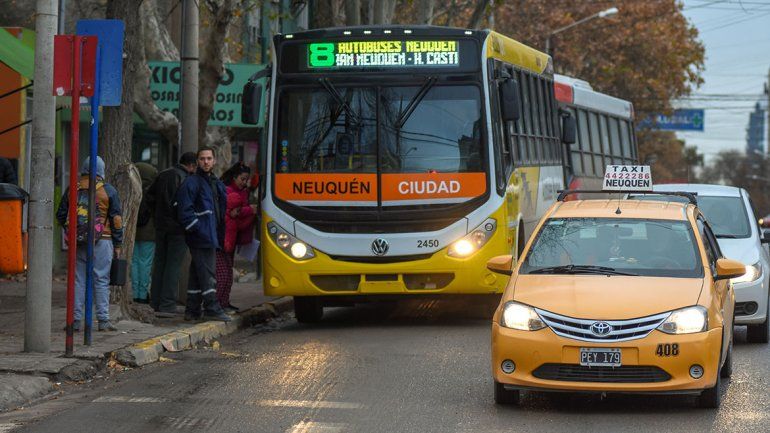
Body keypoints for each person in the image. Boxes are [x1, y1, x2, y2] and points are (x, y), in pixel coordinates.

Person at [56, 156, 123, 332]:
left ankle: (75, 320)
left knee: (78, 280)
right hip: (103, 240)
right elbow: (116, 220)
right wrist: (118, 244)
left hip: (78, 242)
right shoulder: (108, 190)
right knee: (101, 279)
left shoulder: (73, 188)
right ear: (101, 171)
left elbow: (61, 214)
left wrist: (74, 230)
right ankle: (103, 320)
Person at [174, 147, 231, 322]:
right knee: (208, 273)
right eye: (202, 159)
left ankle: (192, 310)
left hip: (209, 234)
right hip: (202, 235)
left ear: (214, 161)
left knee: (198, 273)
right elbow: (184, 209)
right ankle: (212, 308)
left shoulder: (214, 182)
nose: (206, 162)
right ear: (197, 161)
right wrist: (197, 228)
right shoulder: (192, 182)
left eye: (209, 158)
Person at [146, 152, 196, 317]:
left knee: (160, 263)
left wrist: (156, 216)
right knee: (173, 265)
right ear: (192, 165)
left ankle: (155, 301)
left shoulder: (163, 174)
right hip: (178, 229)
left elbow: (149, 197)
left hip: (161, 226)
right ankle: (167, 303)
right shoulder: (186, 179)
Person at [216, 162, 257, 312]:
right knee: (223, 274)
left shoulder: (241, 192)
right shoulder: (228, 192)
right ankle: (217, 304)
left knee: (227, 272)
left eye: (246, 179)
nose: (244, 182)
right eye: (242, 179)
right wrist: (249, 210)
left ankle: (223, 302)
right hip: (223, 240)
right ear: (234, 177)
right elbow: (235, 212)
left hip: (232, 239)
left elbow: (239, 219)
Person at [131, 162, 158, 304]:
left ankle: (135, 293)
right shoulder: (154, 189)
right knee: (145, 263)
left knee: (134, 262)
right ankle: (143, 294)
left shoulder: (132, 189)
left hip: (133, 232)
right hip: (149, 233)